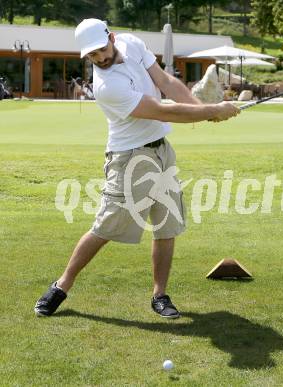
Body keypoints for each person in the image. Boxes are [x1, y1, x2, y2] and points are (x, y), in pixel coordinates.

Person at [34, 19, 240, 319]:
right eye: (92, 55)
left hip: (161, 152)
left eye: (102, 50)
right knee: (105, 227)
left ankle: (160, 295)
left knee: (166, 225)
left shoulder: (131, 43)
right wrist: (211, 110)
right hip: (128, 159)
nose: (99, 59)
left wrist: (200, 111)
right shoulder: (107, 87)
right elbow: (159, 109)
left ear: (112, 38)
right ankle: (62, 285)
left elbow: (166, 82)